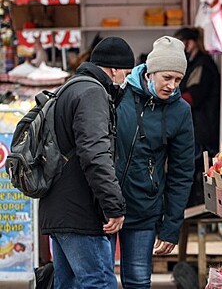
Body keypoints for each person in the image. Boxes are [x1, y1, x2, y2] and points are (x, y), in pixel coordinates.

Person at [40, 36, 135, 289]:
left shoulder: (70, 87)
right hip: (79, 212)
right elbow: (95, 155)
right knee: (99, 282)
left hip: (59, 209)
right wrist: (114, 205)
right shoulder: (93, 93)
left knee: (67, 283)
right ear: (114, 69)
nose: (124, 80)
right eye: (125, 73)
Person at [112, 36, 195, 288]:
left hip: (144, 208)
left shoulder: (180, 111)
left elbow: (182, 172)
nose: (172, 86)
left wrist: (171, 226)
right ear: (150, 72)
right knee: (99, 280)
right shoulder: (118, 95)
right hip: (104, 204)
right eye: (166, 78)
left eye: (178, 79)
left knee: (138, 281)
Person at [174, 27, 220, 207]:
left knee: (197, 167)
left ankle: (198, 205)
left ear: (191, 42)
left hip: (202, 128)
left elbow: (194, 95)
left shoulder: (203, 64)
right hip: (196, 126)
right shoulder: (193, 63)